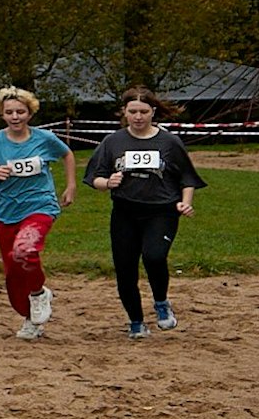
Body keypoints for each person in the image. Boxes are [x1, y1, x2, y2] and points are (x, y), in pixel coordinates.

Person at [85, 87, 205, 338]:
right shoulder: (113, 142)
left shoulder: (169, 142)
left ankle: (161, 302)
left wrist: (185, 202)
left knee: (154, 256)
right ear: (124, 113)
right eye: (133, 112)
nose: (138, 117)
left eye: (143, 111)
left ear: (153, 112)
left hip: (161, 211)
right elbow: (94, 176)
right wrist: (107, 183)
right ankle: (136, 322)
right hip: (125, 212)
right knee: (125, 268)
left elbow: (187, 177)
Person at [0, 87, 76, 340]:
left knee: (25, 249)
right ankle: (30, 317)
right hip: (7, 212)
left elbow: (66, 154)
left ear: (30, 112)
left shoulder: (44, 139)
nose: (15, 117)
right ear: (2, 114)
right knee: (13, 274)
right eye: (9, 112)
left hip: (40, 205)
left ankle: (38, 293)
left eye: (21, 111)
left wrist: (71, 185)